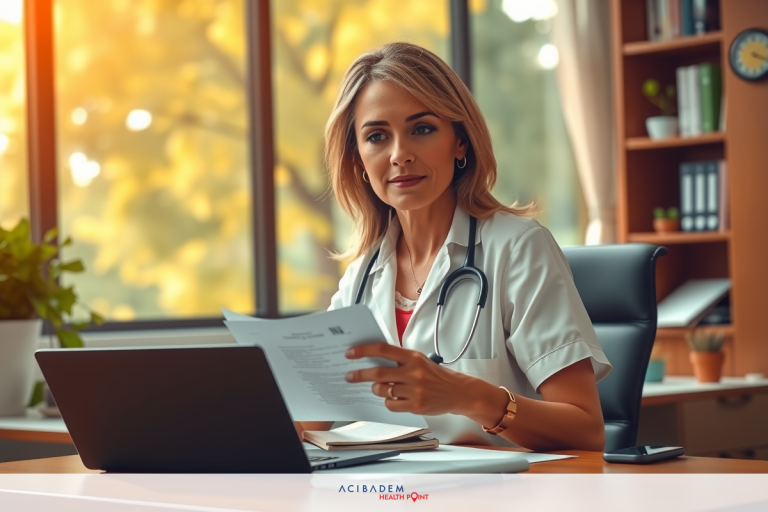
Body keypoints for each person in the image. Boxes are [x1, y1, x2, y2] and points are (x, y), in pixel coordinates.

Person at [298, 42, 611, 452]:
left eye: (422, 129)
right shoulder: (362, 278)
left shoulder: (517, 248)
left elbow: (586, 430)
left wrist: (468, 396)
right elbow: (307, 420)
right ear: (358, 160)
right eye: (377, 136)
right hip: (391, 495)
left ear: (459, 142)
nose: (400, 155)